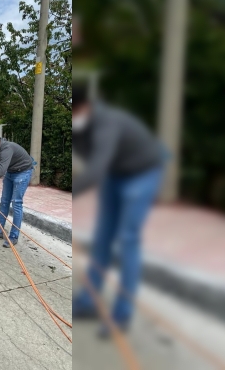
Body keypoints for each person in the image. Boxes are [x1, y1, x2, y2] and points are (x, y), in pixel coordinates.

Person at [71, 83, 166, 338]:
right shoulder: (77, 128)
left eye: (75, 111)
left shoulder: (107, 123)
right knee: (102, 238)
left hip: (142, 173)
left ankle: (122, 315)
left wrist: (73, 194)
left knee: (127, 239)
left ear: (86, 107)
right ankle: (88, 302)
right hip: (114, 174)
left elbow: (96, 167)